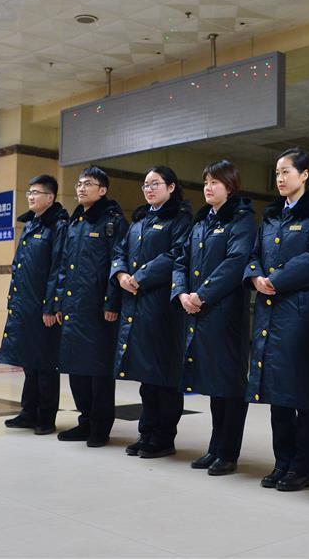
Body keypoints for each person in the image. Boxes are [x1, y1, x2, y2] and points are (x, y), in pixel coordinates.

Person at [243, 147, 309, 492]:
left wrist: (277, 279)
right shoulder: (270, 215)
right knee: (276, 391)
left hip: (301, 315)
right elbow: (253, 255)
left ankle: (302, 467)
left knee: (303, 394)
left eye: (286, 172)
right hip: (269, 312)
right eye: (277, 173)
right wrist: (255, 277)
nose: (280, 179)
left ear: (305, 175)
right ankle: (282, 461)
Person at [174, 160, 256, 475]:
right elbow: (181, 259)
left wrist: (202, 294)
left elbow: (235, 263)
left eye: (216, 182)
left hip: (226, 314)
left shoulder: (242, 220)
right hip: (199, 312)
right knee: (213, 385)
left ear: (230, 186)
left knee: (230, 385)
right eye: (206, 181)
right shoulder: (201, 222)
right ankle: (215, 447)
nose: (209, 187)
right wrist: (182, 292)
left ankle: (228, 452)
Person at [111, 166, 192, 458]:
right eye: (145, 184)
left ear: (171, 187)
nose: (149, 189)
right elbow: (119, 251)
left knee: (165, 375)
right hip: (136, 302)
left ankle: (164, 437)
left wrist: (140, 276)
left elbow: (176, 255)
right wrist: (121, 275)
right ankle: (147, 433)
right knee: (146, 375)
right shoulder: (140, 220)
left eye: (155, 184)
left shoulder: (180, 219)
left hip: (163, 305)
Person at [55, 167, 128, 447]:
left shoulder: (113, 222)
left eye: (89, 184)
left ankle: (100, 426)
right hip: (74, 306)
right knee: (76, 367)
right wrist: (59, 301)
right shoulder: (75, 223)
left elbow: (117, 263)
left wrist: (112, 301)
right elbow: (63, 265)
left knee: (98, 370)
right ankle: (84, 421)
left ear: (103, 190)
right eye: (80, 183)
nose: (82, 188)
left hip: (98, 309)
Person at [0, 175, 68, 435]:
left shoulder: (58, 225)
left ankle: (46, 417)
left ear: (50, 197)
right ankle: (28, 412)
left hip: (42, 307)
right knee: (28, 361)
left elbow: (58, 267)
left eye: (36, 192)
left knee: (46, 363)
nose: (30, 196)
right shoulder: (31, 224)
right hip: (24, 304)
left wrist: (51, 306)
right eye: (29, 192)